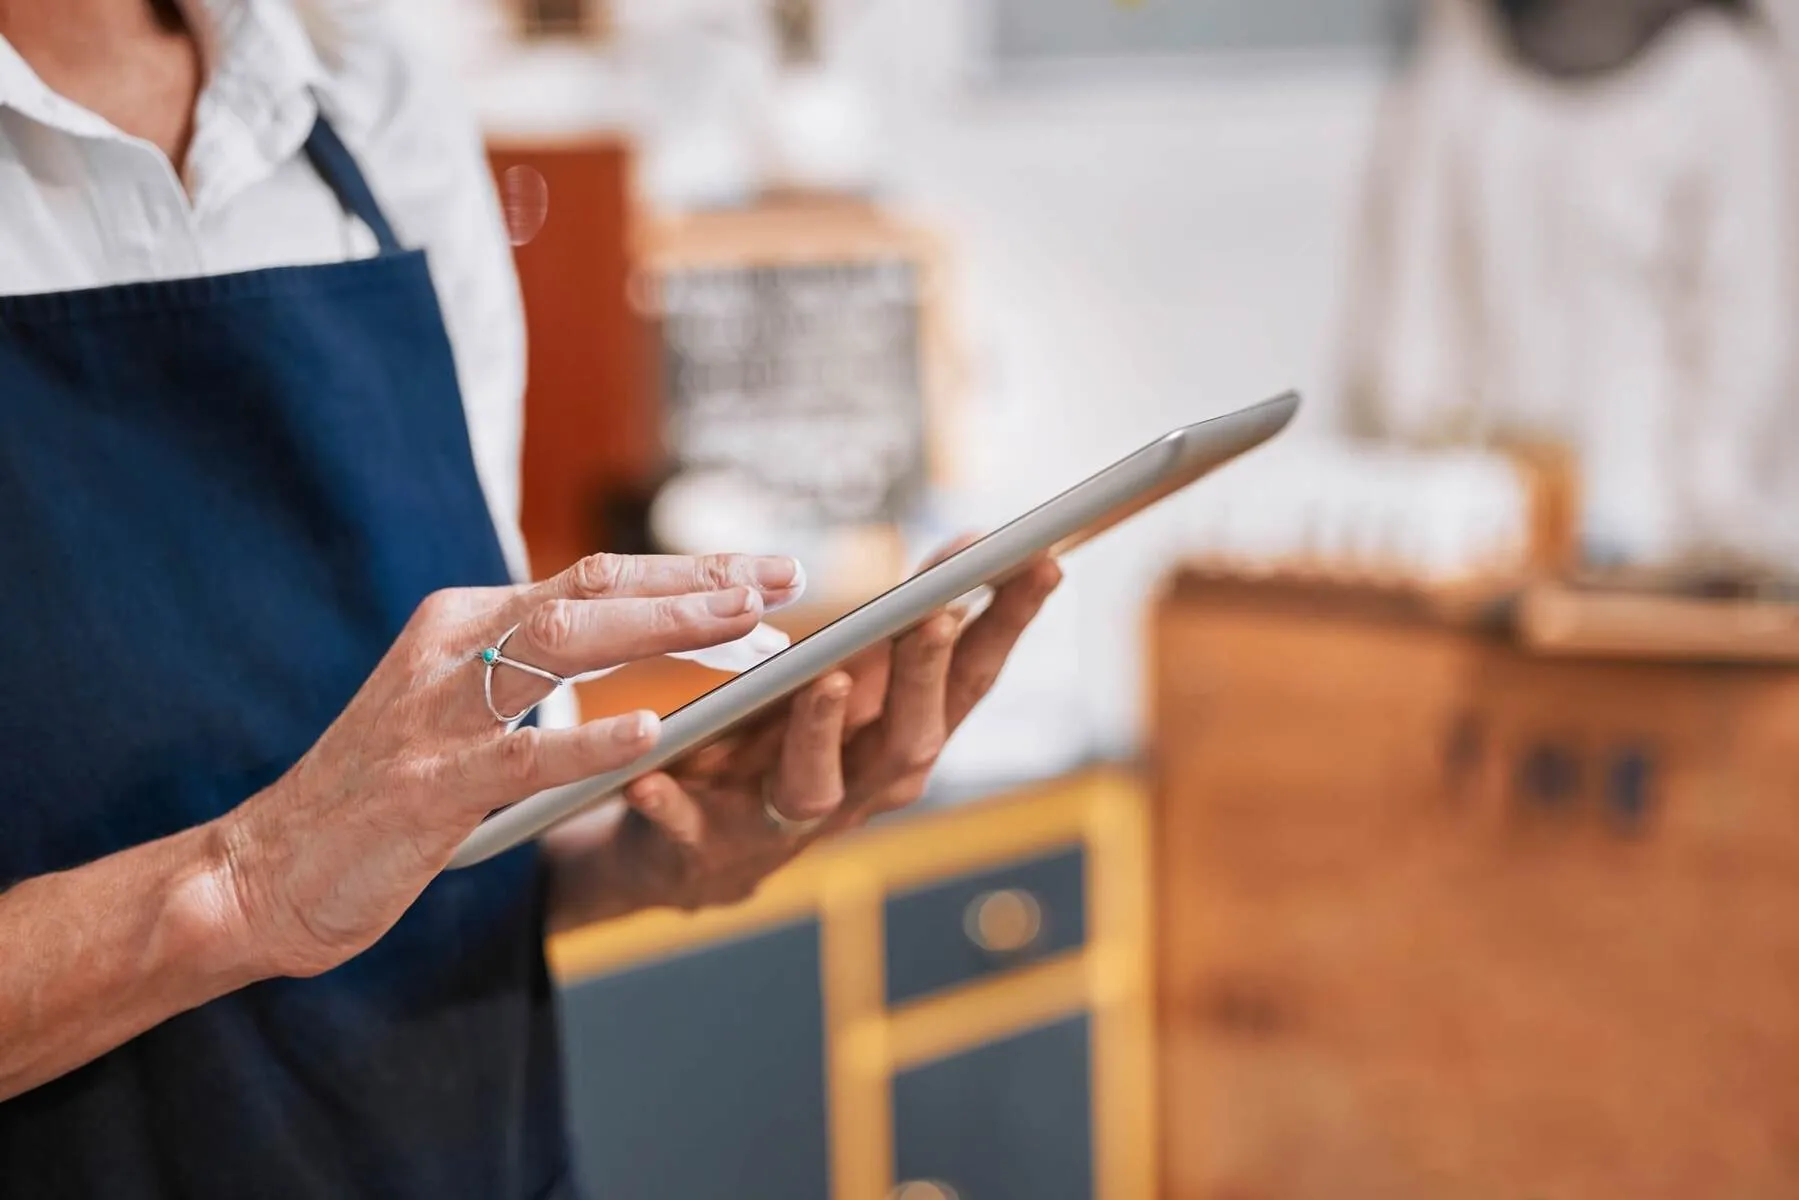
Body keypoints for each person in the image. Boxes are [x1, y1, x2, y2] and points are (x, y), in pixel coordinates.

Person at [0, 1, 1061, 1195]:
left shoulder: (373, 101)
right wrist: (242, 888)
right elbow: (305, 861)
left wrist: (661, 845)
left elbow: (442, 847)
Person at [1343, 0, 1796, 572]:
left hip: (1658, 534)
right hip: (1489, 528)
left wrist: (1710, 517)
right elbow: (1413, 308)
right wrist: (1428, 472)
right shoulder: (1466, 46)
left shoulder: (1724, 74)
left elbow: (1746, 333)